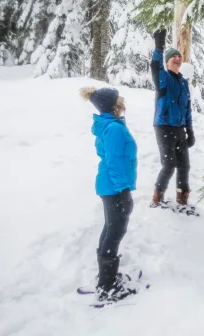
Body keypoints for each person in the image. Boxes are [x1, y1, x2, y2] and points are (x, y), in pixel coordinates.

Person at [80, 86, 138, 302]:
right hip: (114, 187)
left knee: (111, 229)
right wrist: (124, 191)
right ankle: (107, 286)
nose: (122, 99)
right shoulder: (113, 129)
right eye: (118, 98)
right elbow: (114, 162)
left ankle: (107, 277)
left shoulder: (112, 125)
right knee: (115, 231)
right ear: (113, 105)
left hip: (111, 186)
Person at [150, 29, 195, 209]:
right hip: (164, 127)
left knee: (184, 165)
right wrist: (159, 47)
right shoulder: (164, 79)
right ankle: (157, 199)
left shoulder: (183, 83)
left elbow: (187, 109)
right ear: (168, 62)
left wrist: (189, 130)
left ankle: (182, 200)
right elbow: (155, 67)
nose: (177, 58)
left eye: (179, 56)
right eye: (173, 57)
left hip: (179, 129)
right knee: (169, 165)